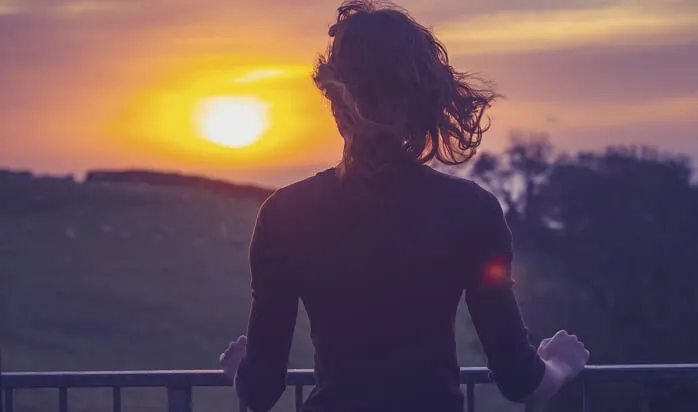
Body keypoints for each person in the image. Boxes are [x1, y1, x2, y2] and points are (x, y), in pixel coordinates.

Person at [219, 1, 590, 411]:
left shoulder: (284, 215)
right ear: (423, 99)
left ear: (335, 101)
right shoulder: (472, 212)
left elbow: (260, 393)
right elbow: (522, 383)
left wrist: (241, 369)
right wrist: (560, 364)